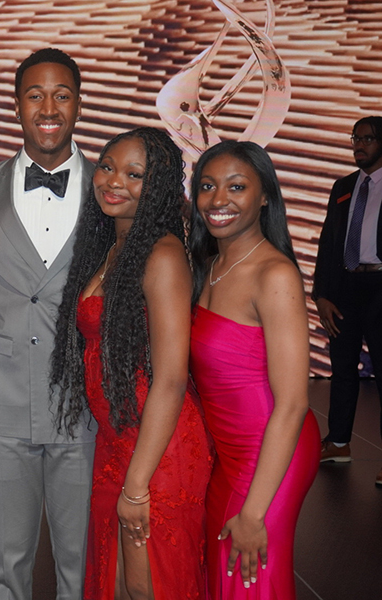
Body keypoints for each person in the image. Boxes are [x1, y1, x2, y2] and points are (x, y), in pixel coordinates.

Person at [50, 127, 212, 600]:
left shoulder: (161, 255)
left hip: (157, 449)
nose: (113, 180)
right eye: (107, 167)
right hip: (117, 441)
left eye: (134, 174)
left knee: (149, 587)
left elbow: (172, 378)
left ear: (158, 186)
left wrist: (138, 483)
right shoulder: (111, 246)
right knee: (117, 581)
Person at [0, 47, 95, 599]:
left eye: (61, 95)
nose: (48, 106)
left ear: (79, 105)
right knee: (5, 565)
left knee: (79, 565)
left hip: (83, 407)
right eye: (35, 94)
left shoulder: (111, 192)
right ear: (16, 106)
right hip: (1, 405)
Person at [189, 140, 320, 599]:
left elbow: (293, 404)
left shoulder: (274, 275)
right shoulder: (212, 265)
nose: (218, 200)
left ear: (265, 196)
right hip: (231, 453)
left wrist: (255, 511)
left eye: (236, 186)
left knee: (248, 573)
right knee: (227, 575)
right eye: (207, 186)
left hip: (272, 449)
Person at [312, 116, 382, 485]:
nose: (359, 145)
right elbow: (327, 244)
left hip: (380, 284)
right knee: (342, 371)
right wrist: (321, 294)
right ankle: (338, 443)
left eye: (368, 139)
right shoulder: (343, 186)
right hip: (345, 290)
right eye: (356, 138)